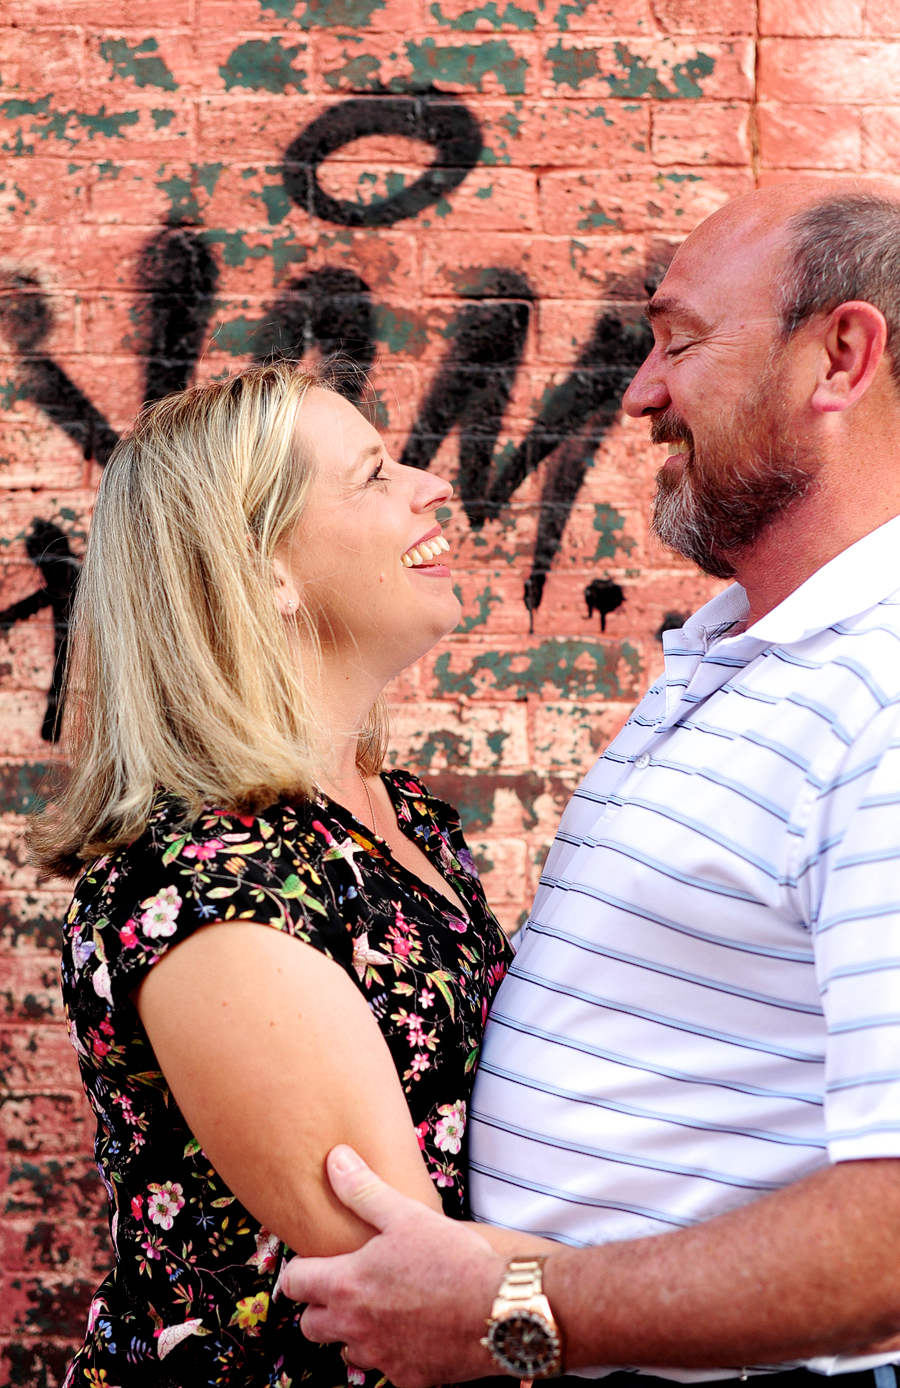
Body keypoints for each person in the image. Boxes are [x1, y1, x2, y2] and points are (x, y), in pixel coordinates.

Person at [282, 181, 900, 1388]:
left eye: (679, 342)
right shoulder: (745, 647)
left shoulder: (882, 688)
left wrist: (512, 1307)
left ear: (840, 356)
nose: (639, 393)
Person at [31, 361, 558, 1388]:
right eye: (372, 475)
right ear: (265, 568)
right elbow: (412, 1288)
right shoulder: (213, 889)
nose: (430, 484)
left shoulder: (393, 817)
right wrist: (697, 1307)